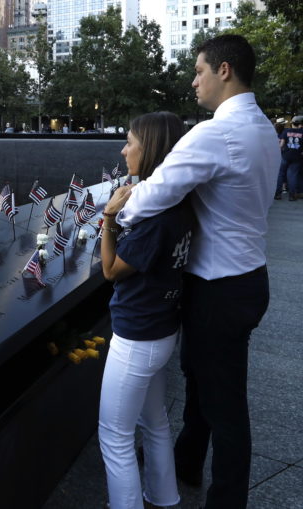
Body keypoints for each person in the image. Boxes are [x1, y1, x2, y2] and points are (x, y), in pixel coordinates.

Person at [104, 34, 280, 509]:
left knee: (225, 405)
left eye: (199, 70)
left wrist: (113, 210)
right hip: (248, 278)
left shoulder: (214, 133)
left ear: (224, 71)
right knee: (205, 384)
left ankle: (226, 501)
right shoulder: (265, 129)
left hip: (218, 288)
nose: (193, 80)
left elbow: (153, 193)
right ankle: (185, 462)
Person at [99, 112, 193, 509]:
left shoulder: (155, 214)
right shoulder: (181, 203)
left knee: (114, 436)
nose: (123, 150)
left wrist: (108, 218)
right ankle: (164, 497)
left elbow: (110, 271)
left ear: (150, 148)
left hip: (137, 334)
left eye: (130, 142)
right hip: (164, 330)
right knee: (155, 423)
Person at [274, 115, 303, 201]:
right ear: (300, 124)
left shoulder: (286, 131)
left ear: (292, 123)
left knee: (281, 174)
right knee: (292, 176)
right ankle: (292, 196)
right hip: (297, 157)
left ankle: (278, 194)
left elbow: (281, 145)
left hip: (285, 156)